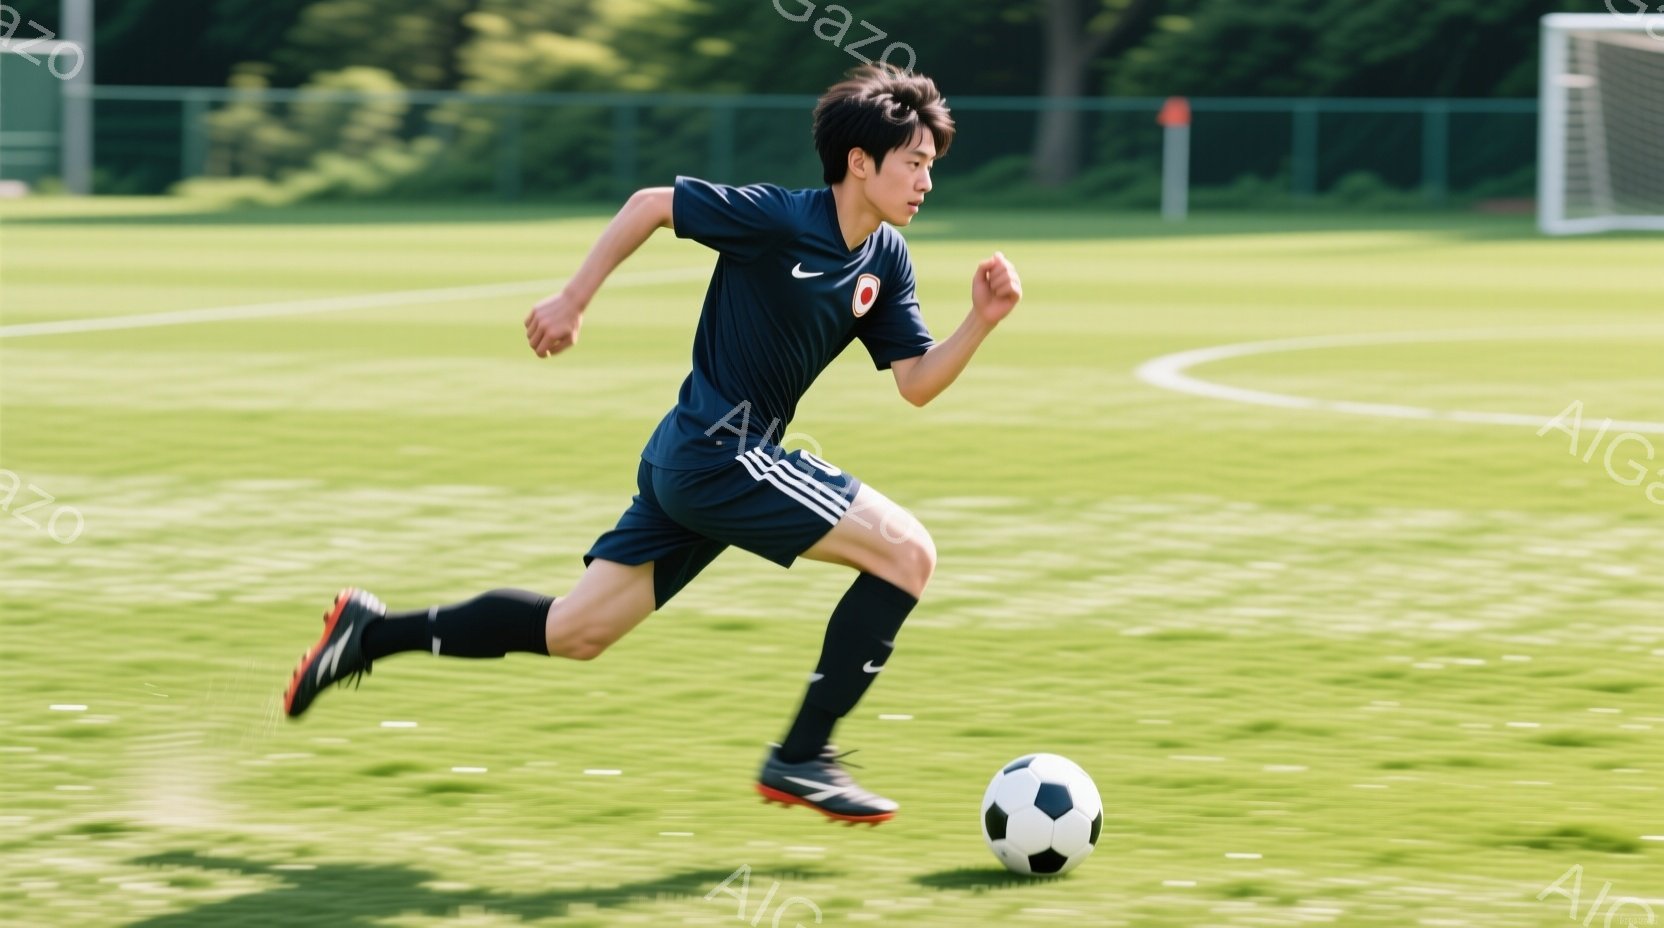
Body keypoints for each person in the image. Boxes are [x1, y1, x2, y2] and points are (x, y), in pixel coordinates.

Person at [280, 64, 1022, 825]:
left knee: (577, 631)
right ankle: (801, 756)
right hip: (717, 452)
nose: (927, 180)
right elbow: (651, 205)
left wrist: (982, 320)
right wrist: (572, 299)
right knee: (908, 553)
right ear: (860, 162)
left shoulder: (887, 260)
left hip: (704, 459)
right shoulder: (779, 219)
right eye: (915, 162)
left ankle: (369, 636)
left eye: (932, 165)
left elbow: (916, 382)